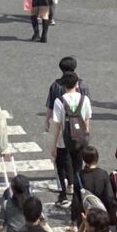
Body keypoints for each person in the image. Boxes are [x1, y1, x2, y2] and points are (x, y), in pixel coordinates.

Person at [48, 71, 92, 218]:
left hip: (63, 139)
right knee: (78, 167)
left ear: (64, 86)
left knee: (61, 166)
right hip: (80, 139)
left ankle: (63, 195)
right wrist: (86, 136)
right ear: (77, 84)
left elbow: (57, 125)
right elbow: (87, 120)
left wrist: (54, 144)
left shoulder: (59, 101)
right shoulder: (84, 99)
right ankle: (78, 196)